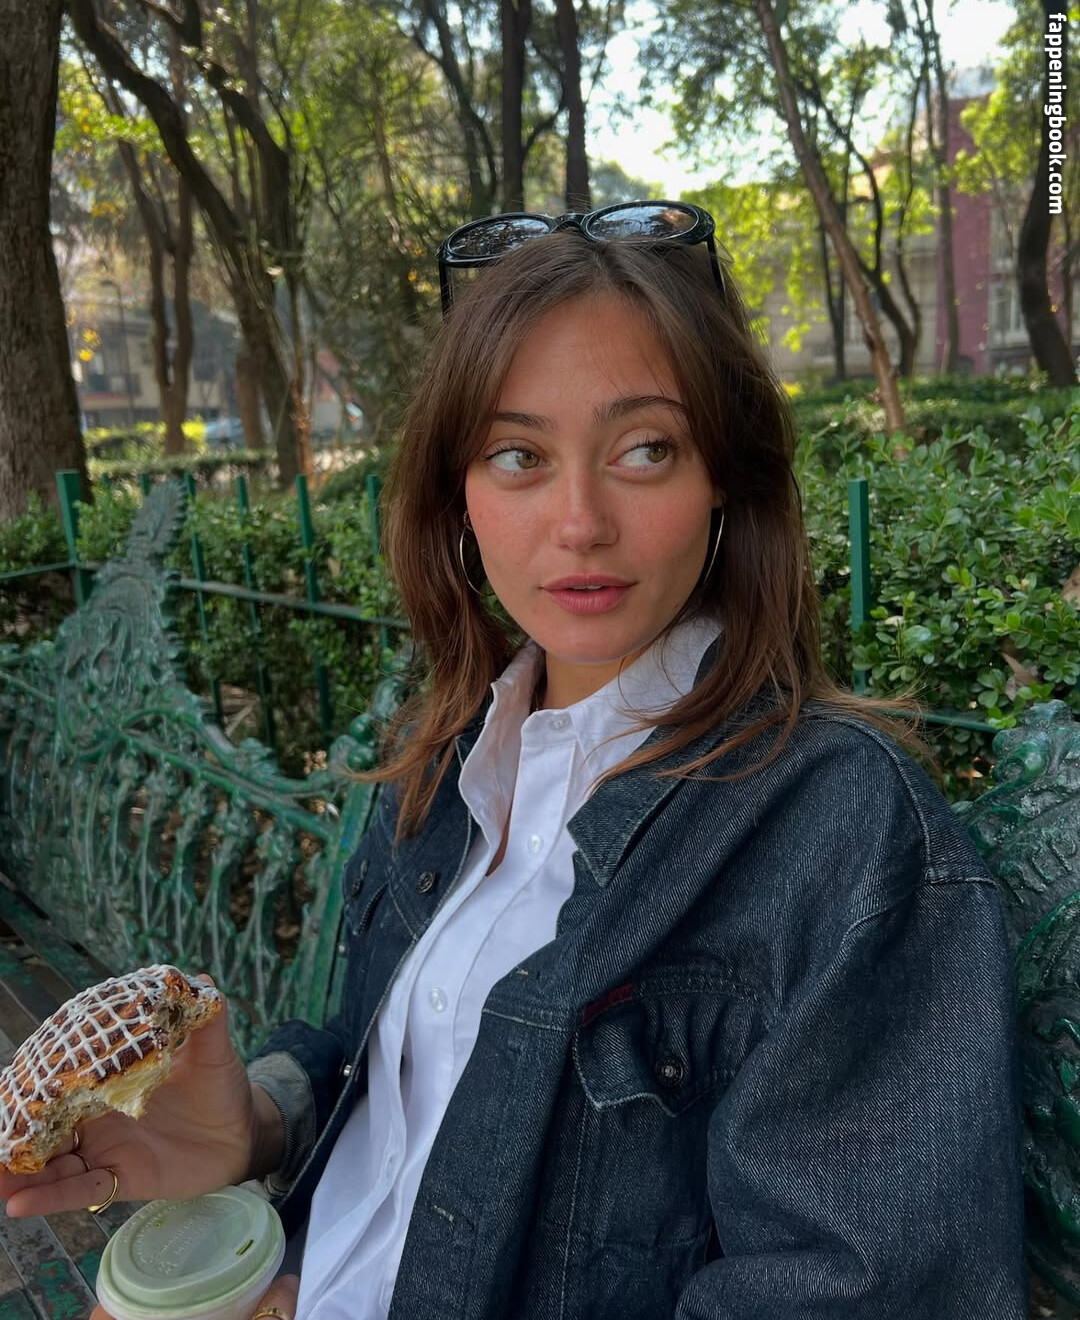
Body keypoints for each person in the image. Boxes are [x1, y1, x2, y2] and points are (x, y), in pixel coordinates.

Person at [1, 202, 1026, 1319]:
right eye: (518, 455)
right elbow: (392, 1062)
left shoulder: (837, 823)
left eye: (645, 448)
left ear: (724, 477)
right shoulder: (446, 760)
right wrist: (253, 1124)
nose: (579, 522)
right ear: (461, 496)